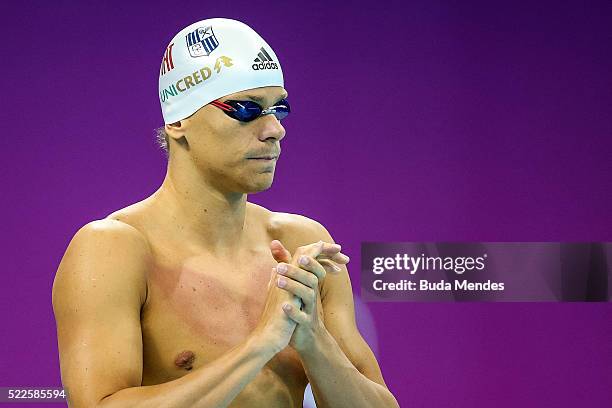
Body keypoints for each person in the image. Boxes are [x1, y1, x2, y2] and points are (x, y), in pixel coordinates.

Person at [52, 18, 399, 408]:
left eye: (279, 108)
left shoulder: (301, 243)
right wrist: (260, 344)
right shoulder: (115, 250)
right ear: (178, 120)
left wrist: (314, 339)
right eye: (247, 109)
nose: (274, 129)